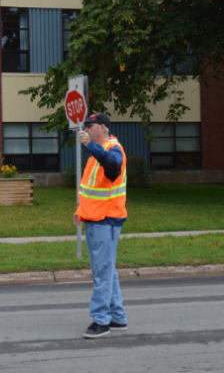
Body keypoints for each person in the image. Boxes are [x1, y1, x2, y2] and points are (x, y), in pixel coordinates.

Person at [75, 112, 128, 339]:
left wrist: (91, 147)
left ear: (103, 128)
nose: (86, 129)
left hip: (106, 220)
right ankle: (117, 316)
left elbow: (113, 167)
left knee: (103, 272)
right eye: (85, 125)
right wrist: (80, 211)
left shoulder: (112, 148)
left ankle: (101, 321)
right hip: (96, 218)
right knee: (108, 271)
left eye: (91, 125)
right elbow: (89, 188)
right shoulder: (96, 153)